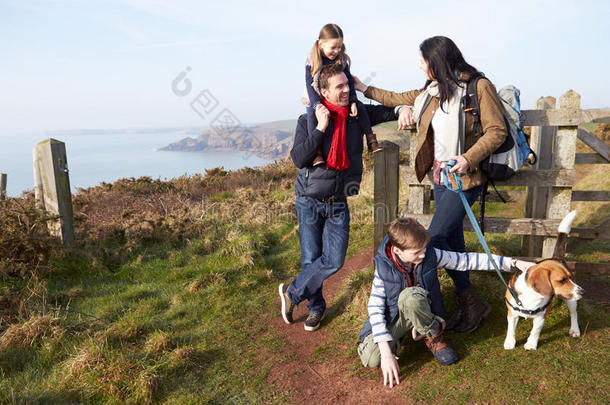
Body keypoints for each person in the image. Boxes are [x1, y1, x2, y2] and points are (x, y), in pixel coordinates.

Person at [354, 36, 508, 333]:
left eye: (424, 61)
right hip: (440, 177)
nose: (420, 66)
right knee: (453, 241)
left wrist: (468, 157)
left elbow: (496, 130)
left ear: (438, 61)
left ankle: (431, 314)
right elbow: (398, 97)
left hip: (465, 178)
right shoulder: (433, 91)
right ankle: (470, 301)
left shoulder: (478, 87)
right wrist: (364, 88)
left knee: (432, 241)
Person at [279, 63, 398, 332]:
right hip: (310, 200)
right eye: (340, 87)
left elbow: (384, 110)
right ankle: (316, 309)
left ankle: (292, 293)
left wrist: (402, 109)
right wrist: (320, 128)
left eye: (348, 84)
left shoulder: (356, 116)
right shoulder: (307, 120)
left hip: (339, 201)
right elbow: (299, 159)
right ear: (323, 92)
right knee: (311, 258)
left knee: (334, 260)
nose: (347, 90)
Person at [358, 217, 534, 388]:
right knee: (373, 359)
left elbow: (467, 260)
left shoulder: (430, 255)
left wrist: (513, 263)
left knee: (410, 297)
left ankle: (432, 336)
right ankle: (402, 336)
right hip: (395, 317)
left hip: (421, 307)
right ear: (397, 251)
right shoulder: (382, 268)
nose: (423, 254)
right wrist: (386, 353)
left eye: (424, 249)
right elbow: (375, 307)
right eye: (416, 252)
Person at [302, 23, 382, 168]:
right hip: (316, 95)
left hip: (336, 94)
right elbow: (308, 84)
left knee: (360, 107)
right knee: (312, 116)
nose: (336, 50)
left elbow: (349, 81)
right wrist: (316, 104)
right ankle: (317, 153)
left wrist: (352, 100)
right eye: (333, 47)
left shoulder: (342, 59)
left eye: (339, 47)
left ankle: (371, 140)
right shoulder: (312, 59)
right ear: (321, 44)